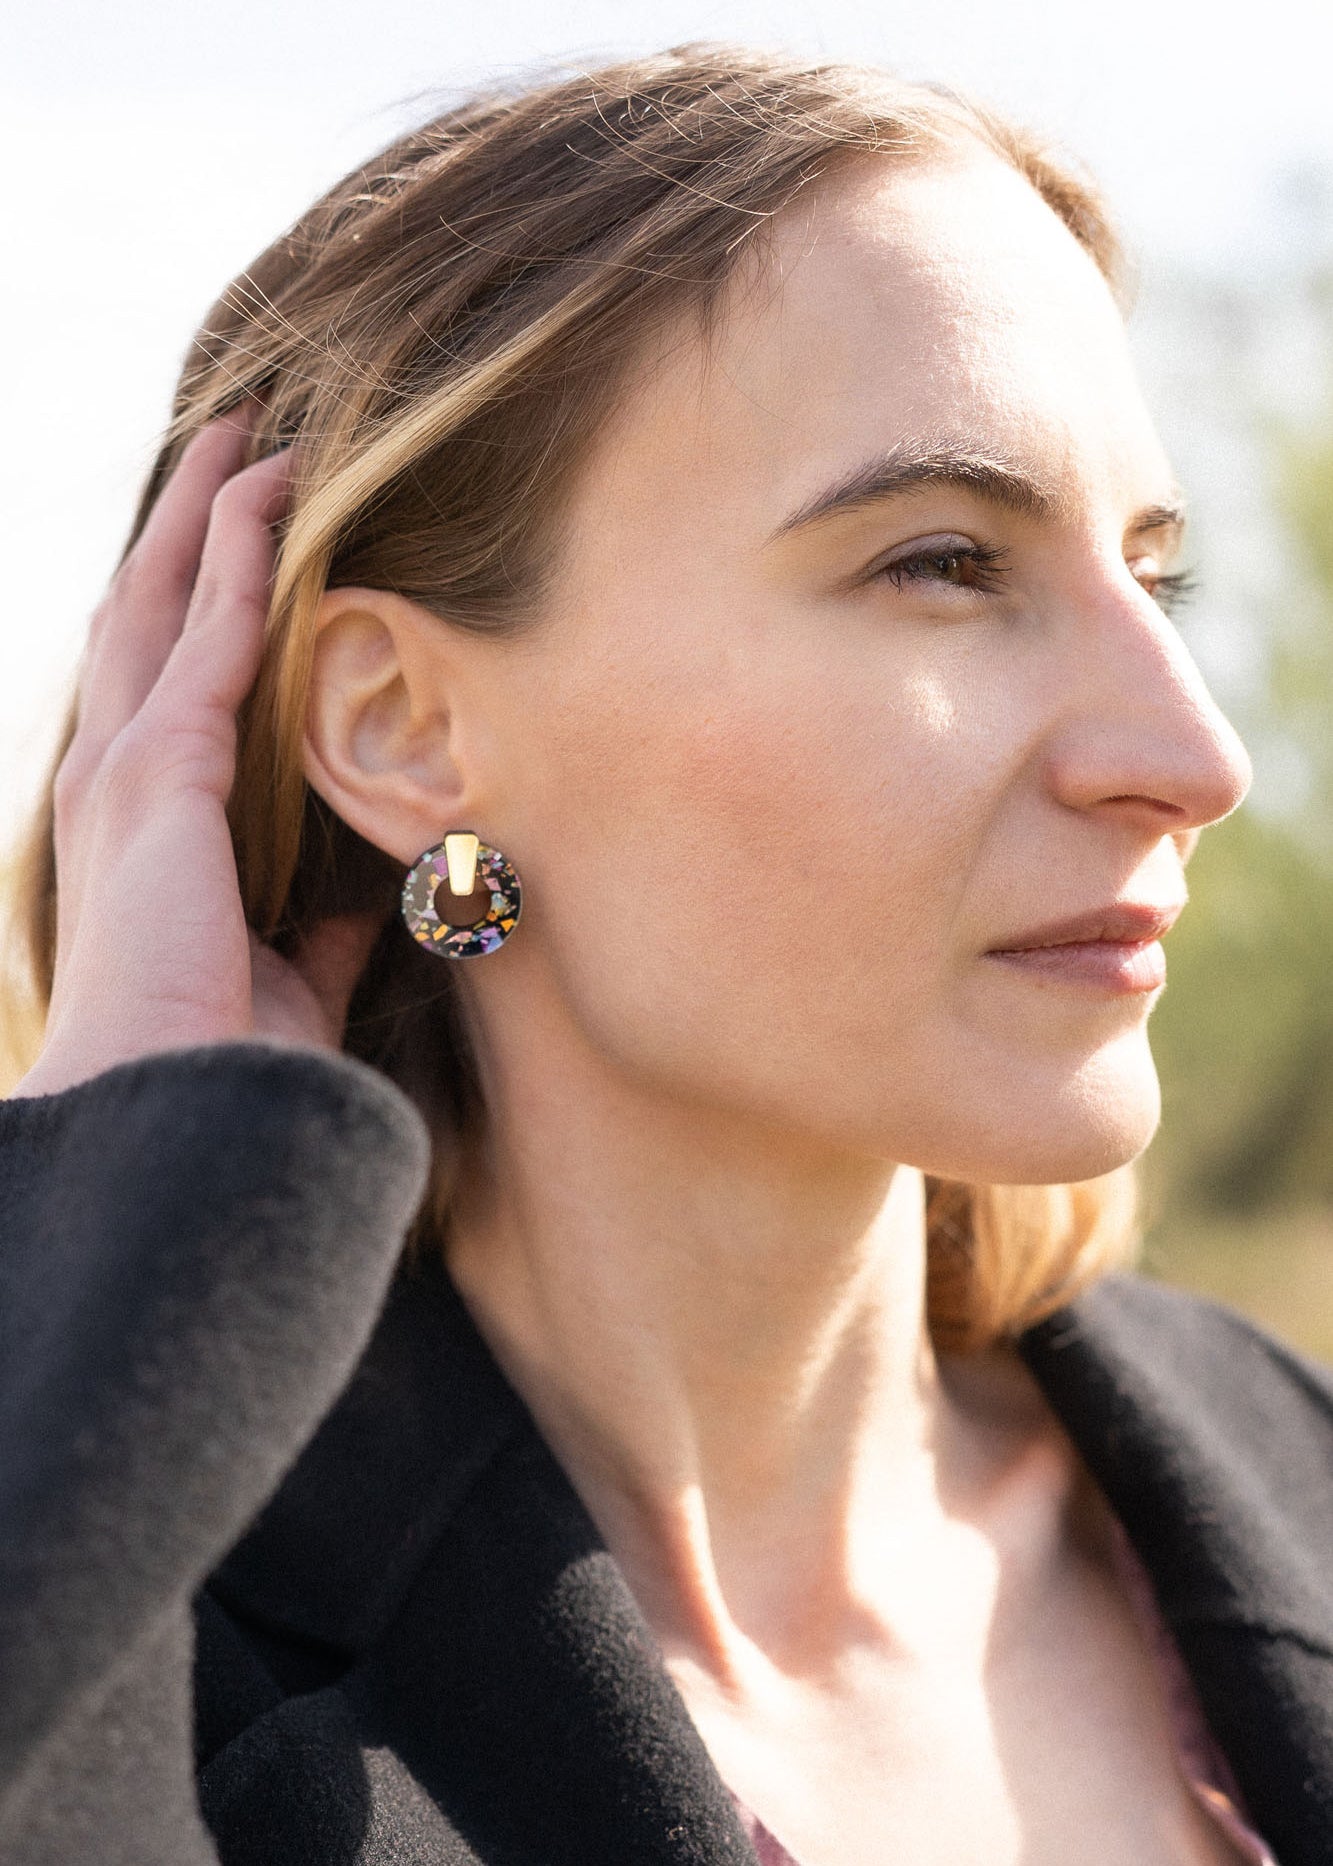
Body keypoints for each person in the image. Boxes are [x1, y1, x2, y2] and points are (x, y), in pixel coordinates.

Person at [1, 43, 1329, 1866]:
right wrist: (113, 1198)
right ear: (398, 723)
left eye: (1150, 576)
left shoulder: (1298, 1484)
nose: (1191, 759)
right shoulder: (142, 1660)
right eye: (941, 561)